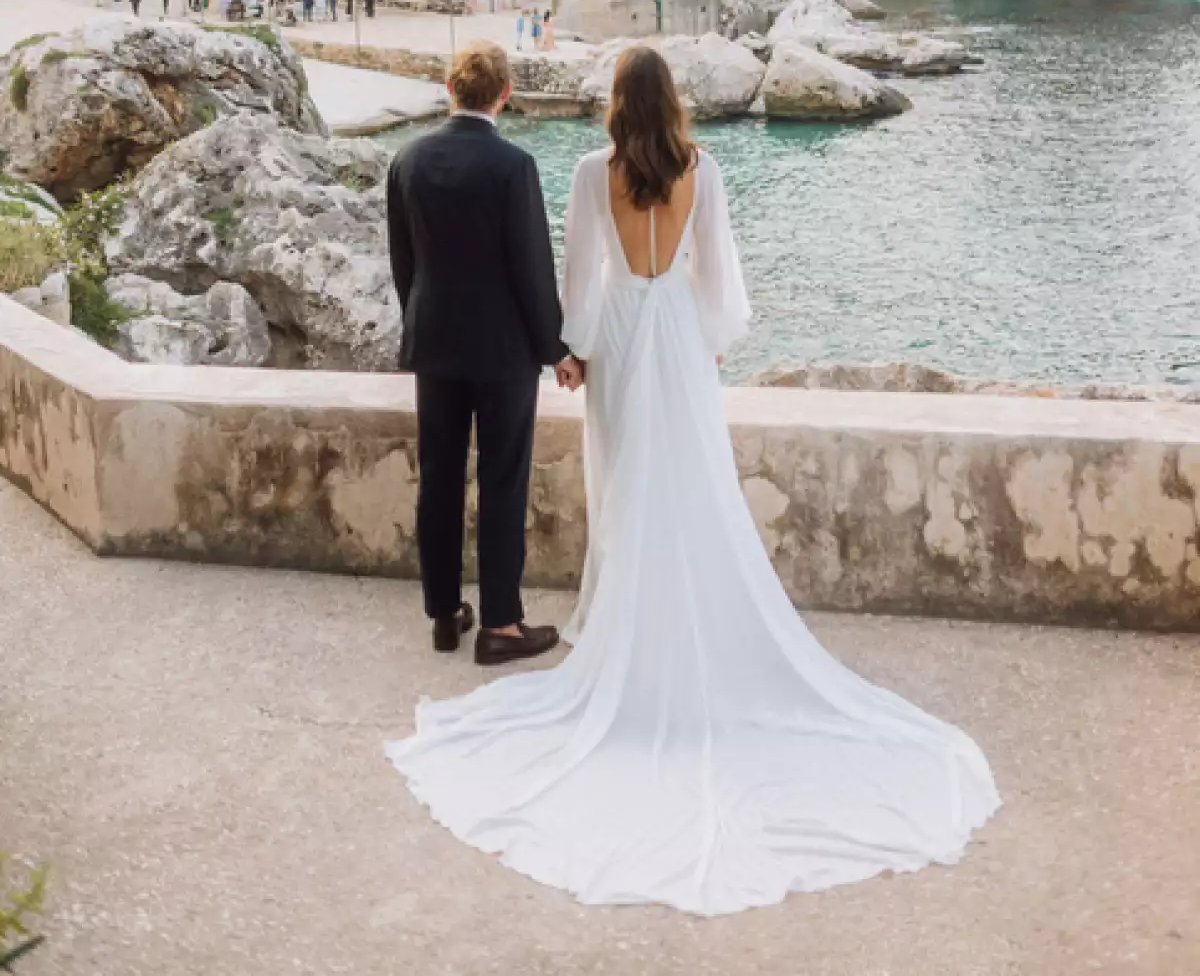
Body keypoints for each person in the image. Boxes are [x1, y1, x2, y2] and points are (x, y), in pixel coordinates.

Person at [387, 45, 999, 915]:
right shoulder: (702, 171)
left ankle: (620, 622)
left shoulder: (591, 174)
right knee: (689, 477)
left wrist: (577, 350)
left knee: (626, 481)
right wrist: (706, 333)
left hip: (625, 343)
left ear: (612, 102)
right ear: (673, 99)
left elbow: (579, 282)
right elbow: (720, 281)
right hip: (676, 333)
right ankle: (690, 624)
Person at [385, 41, 580, 667]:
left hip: (434, 344)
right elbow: (531, 267)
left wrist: (421, 322)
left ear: (450, 89)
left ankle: (444, 614)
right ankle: (501, 622)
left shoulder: (406, 161)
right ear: (505, 94)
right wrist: (557, 349)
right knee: (501, 480)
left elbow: (403, 264)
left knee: (438, 479)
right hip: (501, 354)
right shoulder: (513, 166)